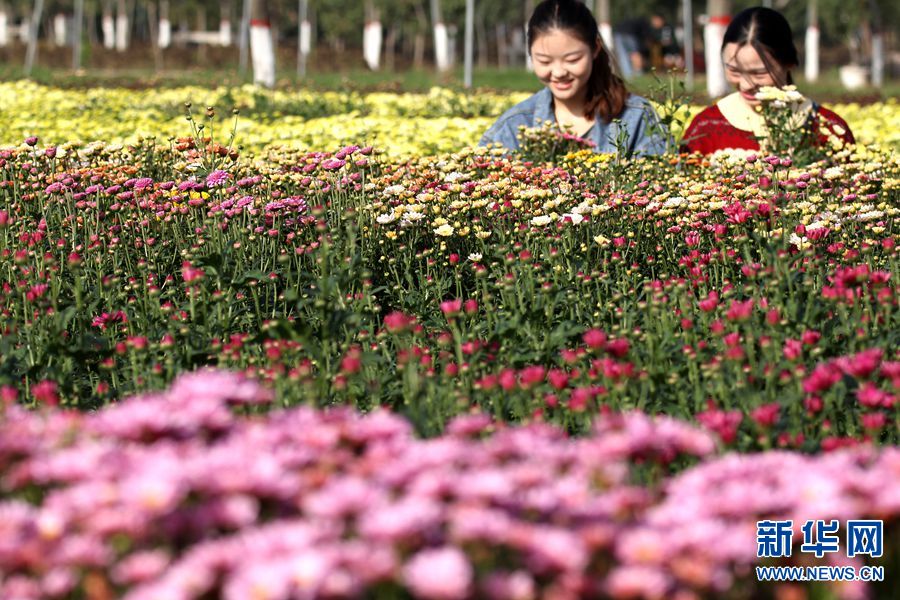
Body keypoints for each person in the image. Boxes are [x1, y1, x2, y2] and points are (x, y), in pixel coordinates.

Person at [480, 0, 669, 157]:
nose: (559, 72)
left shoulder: (636, 118)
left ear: (595, 49)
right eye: (544, 61)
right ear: (530, 54)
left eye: (572, 59)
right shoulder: (514, 127)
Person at [682, 6, 854, 155]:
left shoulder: (828, 130)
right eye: (734, 70)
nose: (746, 85)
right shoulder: (705, 129)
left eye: (759, 73)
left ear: (789, 62)